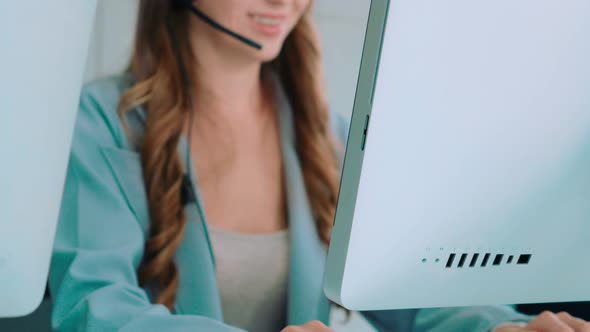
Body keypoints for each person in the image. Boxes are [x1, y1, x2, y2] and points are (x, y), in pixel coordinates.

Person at [48, 0, 590, 331]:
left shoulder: (330, 135)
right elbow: (95, 311)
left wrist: (499, 328)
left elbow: (408, 294)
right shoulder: (96, 125)